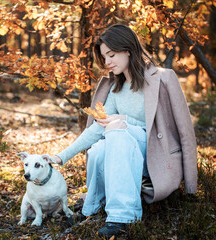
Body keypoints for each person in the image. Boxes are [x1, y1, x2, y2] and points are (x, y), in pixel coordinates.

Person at [49, 24, 197, 238]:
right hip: (124, 151)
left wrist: (191, 185)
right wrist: (60, 156)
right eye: (104, 57)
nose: (107, 62)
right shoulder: (115, 87)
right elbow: (95, 130)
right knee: (99, 148)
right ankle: (92, 207)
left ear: (128, 49)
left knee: (117, 131)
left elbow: (185, 130)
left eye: (112, 54)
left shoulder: (164, 78)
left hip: (156, 155)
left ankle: (123, 217)